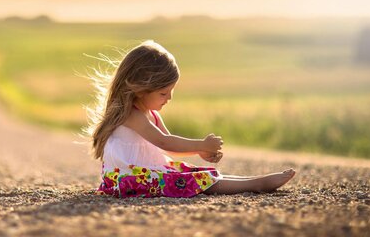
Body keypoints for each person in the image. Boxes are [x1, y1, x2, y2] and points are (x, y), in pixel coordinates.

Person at [84, 40, 295, 198]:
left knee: (198, 173)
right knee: (190, 181)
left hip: (145, 174)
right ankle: (257, 184)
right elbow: (164, 142)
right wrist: (201, 143)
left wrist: (199, 151)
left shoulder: (151, 115)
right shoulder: (131, 115)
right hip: (128, 181)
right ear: (140, 89)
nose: (169, 98)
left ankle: (252, 181)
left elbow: (168, 147)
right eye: (163, 93)